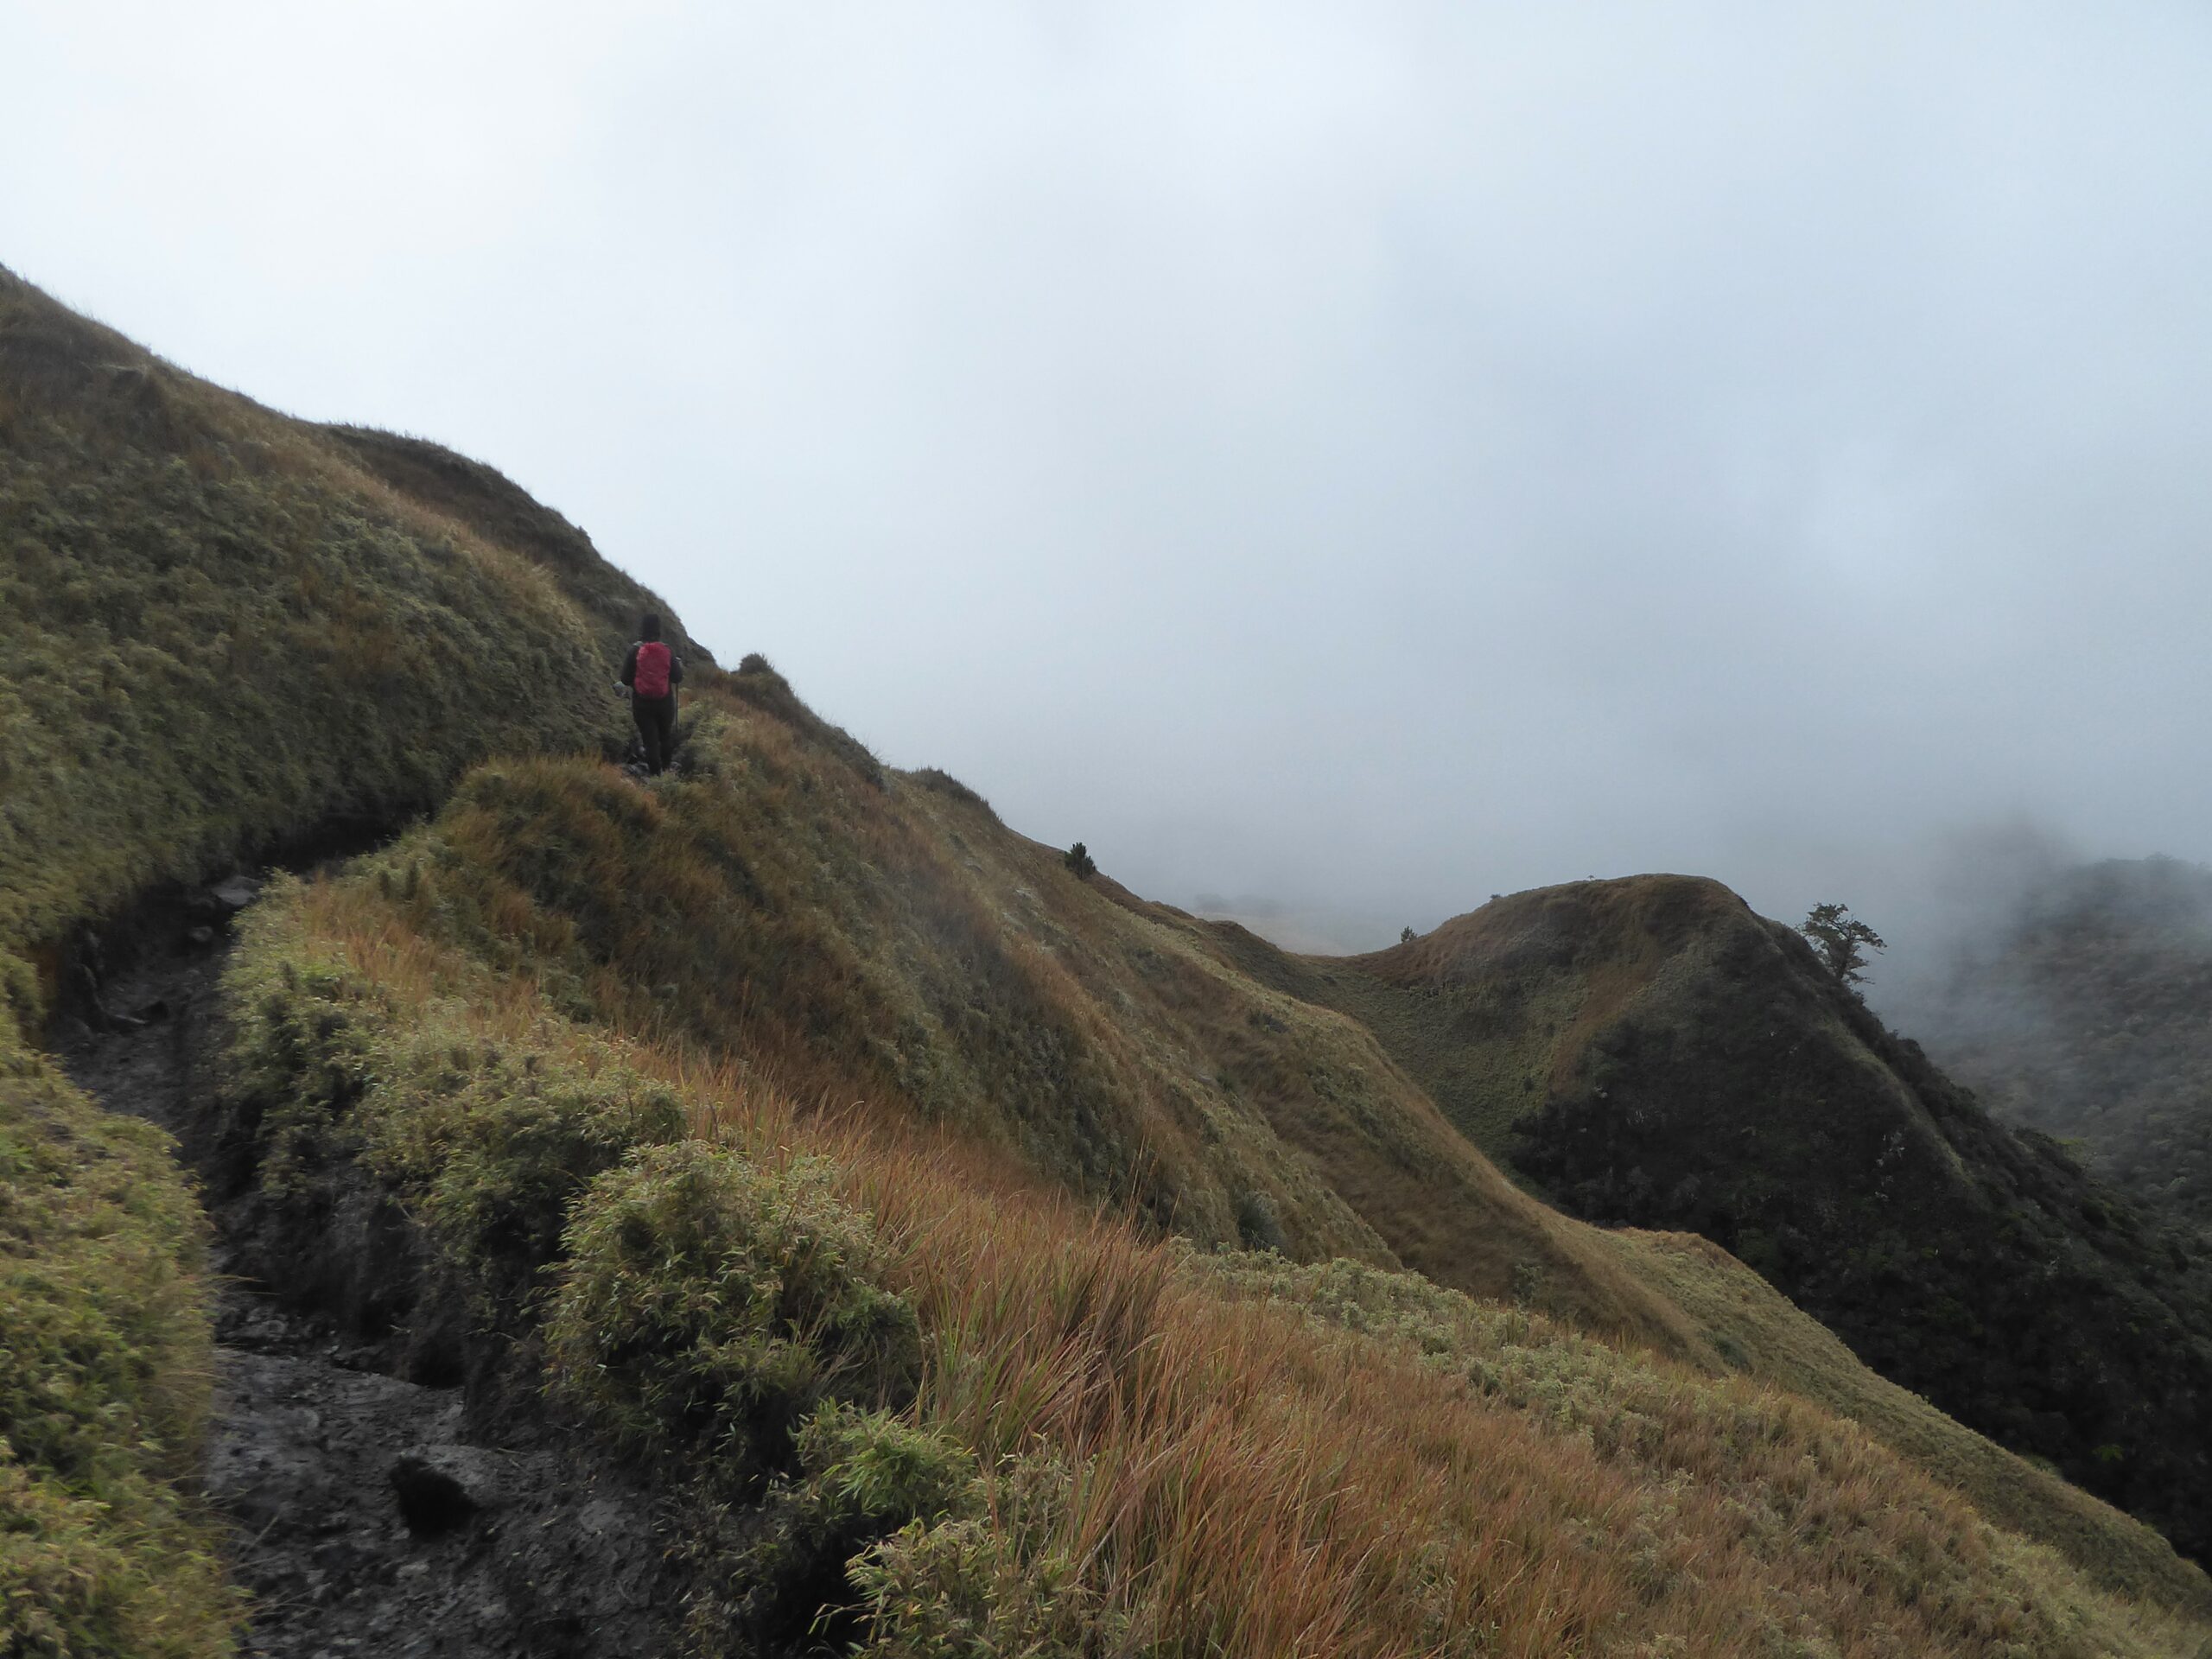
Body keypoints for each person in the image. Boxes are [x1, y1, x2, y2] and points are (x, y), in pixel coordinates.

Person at [620, 613, 684, 775]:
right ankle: (667, 772)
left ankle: (655, 777)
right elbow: (677, 677)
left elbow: (625, 679)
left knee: (650, 741)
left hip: (642, 703)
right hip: (665, 702)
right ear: (658, 629)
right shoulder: (667, 650)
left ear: (642, 628)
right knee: (665, 737)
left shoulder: (635, 650)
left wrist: (638, 681)